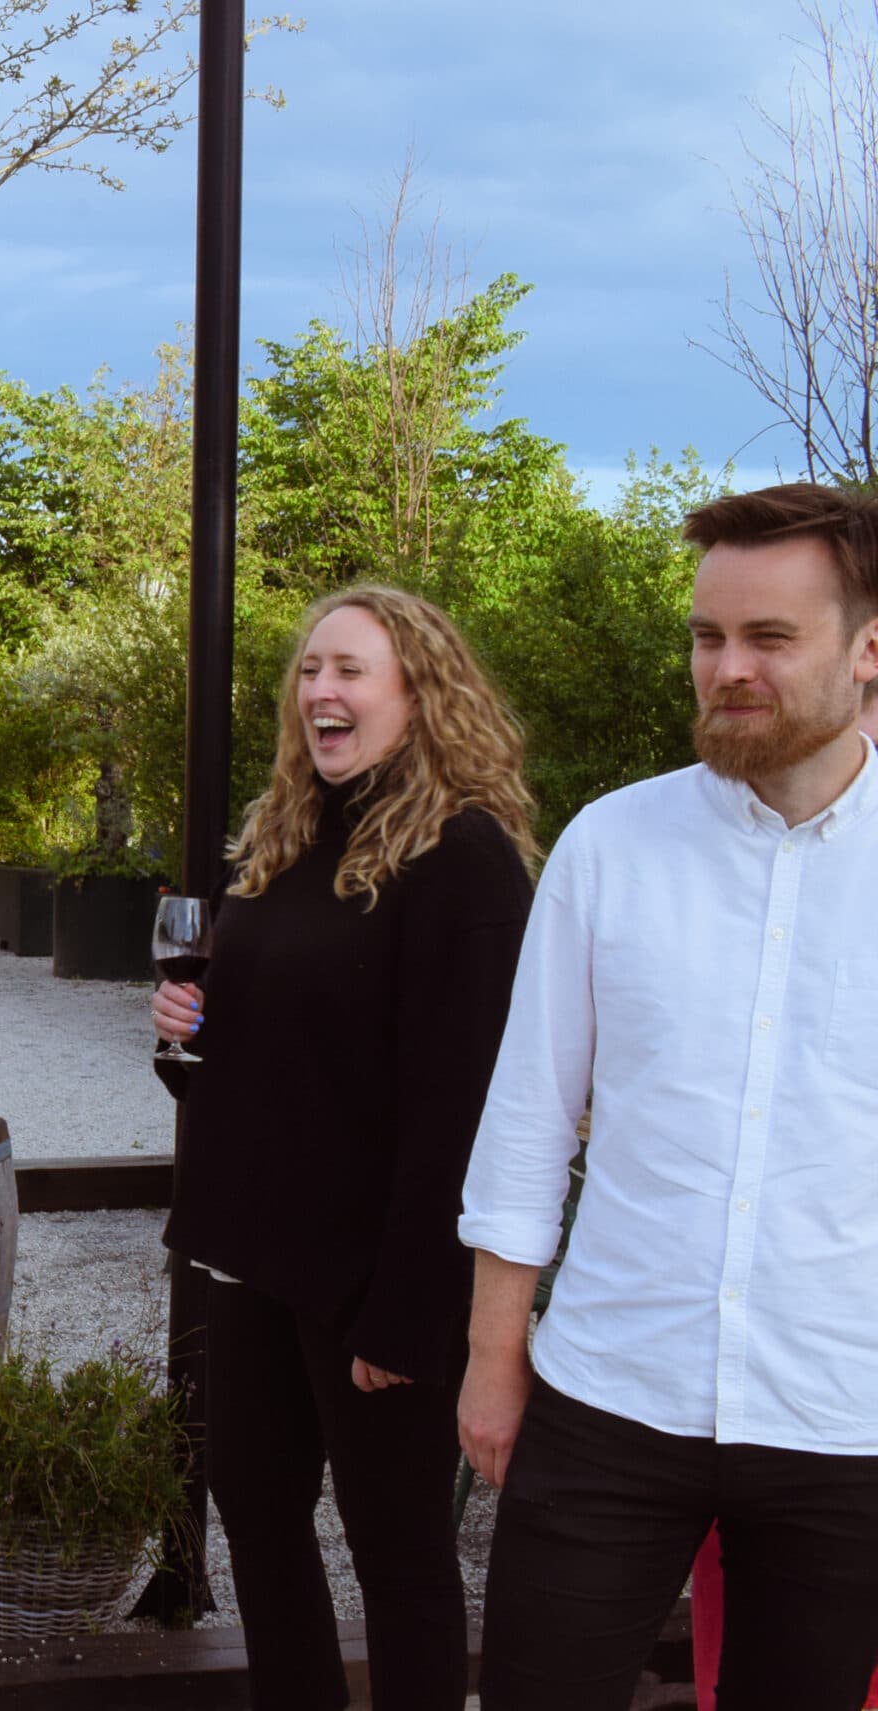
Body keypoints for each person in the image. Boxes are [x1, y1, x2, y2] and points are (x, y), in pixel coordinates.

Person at [458, 483, 878, 1710]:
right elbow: (528, 1115)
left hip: (842, 1410)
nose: (727, 669)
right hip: (611, 1391)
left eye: (767, 638)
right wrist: (494, 1355)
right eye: (707, 637)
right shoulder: (611, 846)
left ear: (866, 650)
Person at [150, 585, 538, 1711]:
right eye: (311, 669)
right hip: (251, 1257)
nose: (321, 690)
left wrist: (411, 1313)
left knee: (399, 1555)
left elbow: (463, 1108)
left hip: (373, 1279)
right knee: (258, 1526)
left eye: (351, 670)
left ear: (420, 692)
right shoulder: (286, 837)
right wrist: (182, 1034)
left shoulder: (463, 860)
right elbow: (255, 1055)